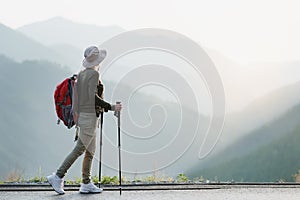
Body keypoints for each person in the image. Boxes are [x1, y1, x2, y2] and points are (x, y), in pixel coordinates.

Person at [47, 46, 122, 195]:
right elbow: (92, 97)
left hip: (85, 116)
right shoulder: (93, 74)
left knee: (90, 151)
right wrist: (112, 107)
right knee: (80, 149)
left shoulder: (82, 74)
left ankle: (86, 183)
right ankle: (57, 176)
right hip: (88, 117)